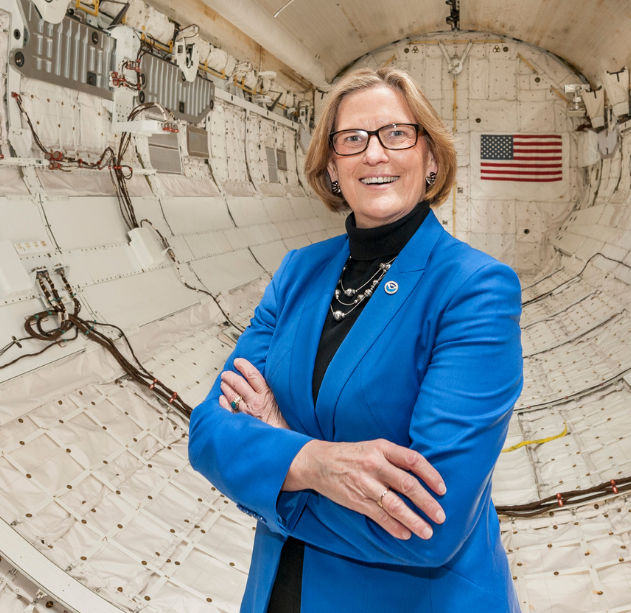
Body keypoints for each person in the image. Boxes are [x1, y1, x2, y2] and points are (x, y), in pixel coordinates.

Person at [188, 66, 523, 613]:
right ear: (332, 168)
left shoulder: (473, 288)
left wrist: (275, 458)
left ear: (431, 157)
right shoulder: (298, 273)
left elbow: (428, 525)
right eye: (352, 140)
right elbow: (207, 433)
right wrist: (315, 464)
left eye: (397, 133)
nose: (374, 154)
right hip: (278, 591)